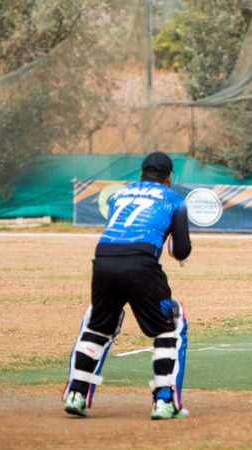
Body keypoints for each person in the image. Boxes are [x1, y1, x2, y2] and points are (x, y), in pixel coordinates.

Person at [62, 151, 192, 420]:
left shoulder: (119, 195)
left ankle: (76, 393)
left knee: (98, 324)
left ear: (141, 174)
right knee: (171, 323)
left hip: (103, 261)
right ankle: (164, 401)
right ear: (168, 178)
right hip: (141, 265)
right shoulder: (175, 200)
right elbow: (182, 250)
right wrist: (175, 249)